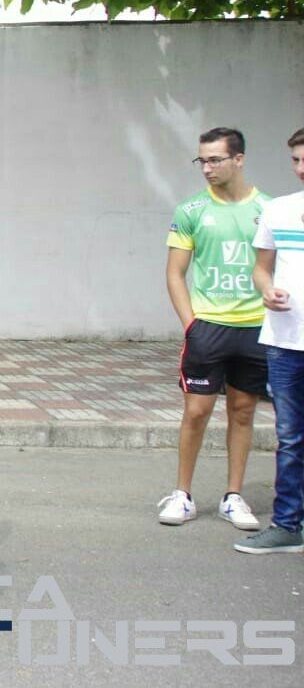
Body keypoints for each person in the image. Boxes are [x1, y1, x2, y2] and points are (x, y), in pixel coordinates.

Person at [160, 127, 268, 531]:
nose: (206, 168)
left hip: (255, 328)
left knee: (242, 412)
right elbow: (175, 273)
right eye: (202, 160)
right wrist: (192, 325)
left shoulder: (268, 210)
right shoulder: (190, 211)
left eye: (215, 159)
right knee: (197, 411)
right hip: (208, 329)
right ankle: (182, 495)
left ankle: (233, 497)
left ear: (238, 159)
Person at [237, 128, 304, 554]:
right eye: (296, 160)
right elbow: (262, 268)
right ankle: (287, 525)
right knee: (291, 438)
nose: (301, 169)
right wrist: (266, 289)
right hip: (284, 343)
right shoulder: (280, 210)